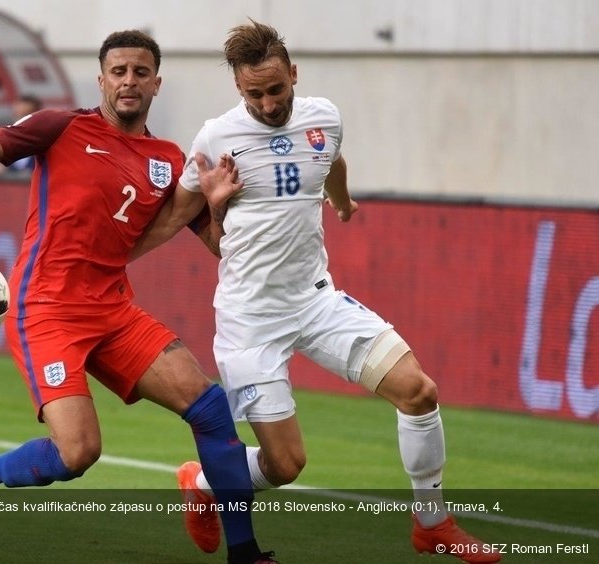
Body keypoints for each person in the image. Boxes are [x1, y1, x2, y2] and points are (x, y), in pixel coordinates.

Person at [0, 29, 275, 564]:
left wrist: (220, 203)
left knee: (209, 408)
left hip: (112, 308)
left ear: (157, 83)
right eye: (119, 72)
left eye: (140, 72)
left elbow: (218, 244)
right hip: (45, 307)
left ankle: (246, 552)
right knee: (79, 452)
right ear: (101, 79)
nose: (129, 81)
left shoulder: (169, 160)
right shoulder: (61, 127)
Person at [131, 20, 500, 563]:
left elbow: (331, 161)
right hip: (249, 319)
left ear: (293, 74)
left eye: (276, 89)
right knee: (286, 467)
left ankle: (432, 524)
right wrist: (117, 254)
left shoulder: (324, 117)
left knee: (418, 391)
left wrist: (342, 203)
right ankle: (204, 486)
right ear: (238, 88)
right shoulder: (217, 136)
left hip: (315, 299)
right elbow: (171, 220)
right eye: (254, 93)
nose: (267, 102)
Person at [0, 94, 43, 176]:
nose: (21, 122)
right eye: (18, 115)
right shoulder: (2, 139)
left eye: (25, 116)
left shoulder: (43, 143)